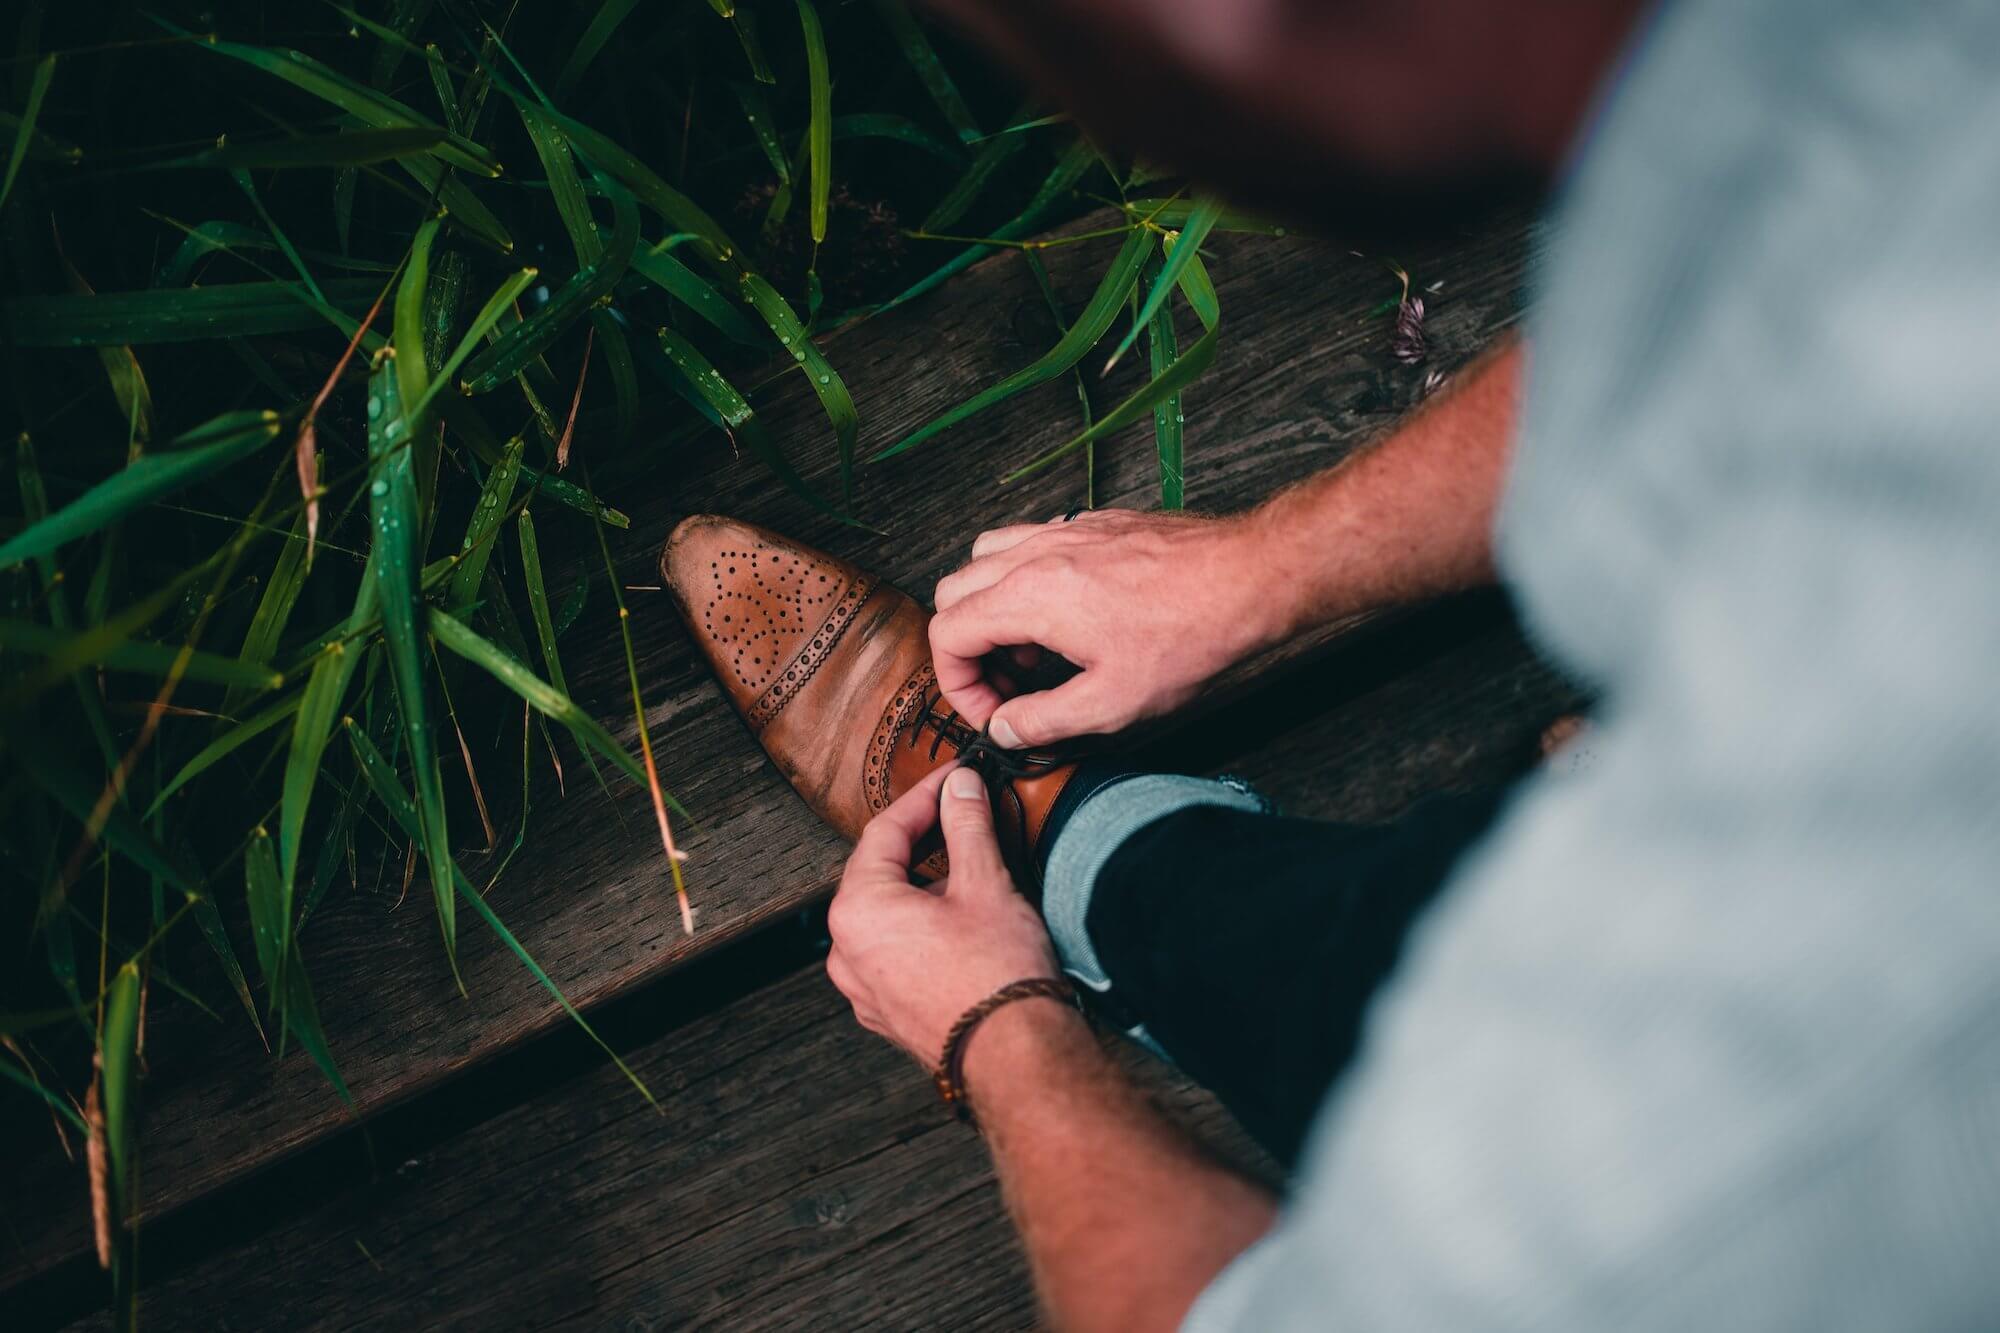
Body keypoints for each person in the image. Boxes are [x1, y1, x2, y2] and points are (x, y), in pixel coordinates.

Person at [676, 1, 2000, 1327]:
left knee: (1321, 977)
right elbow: (1801, 288)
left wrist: (995, 1026)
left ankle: (1085, 849)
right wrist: (1259, 570)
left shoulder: (1667, 1185)